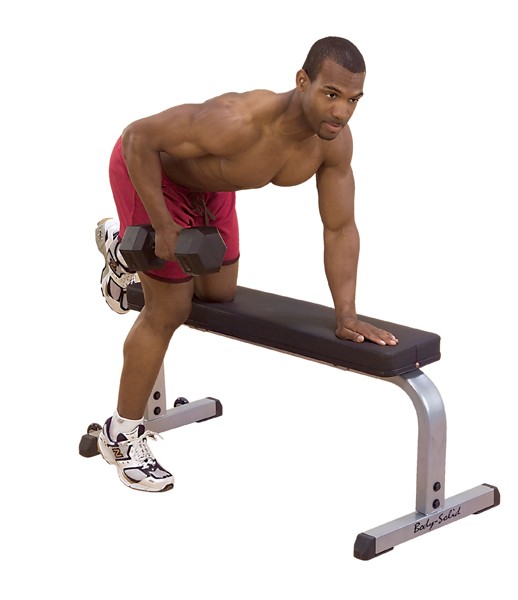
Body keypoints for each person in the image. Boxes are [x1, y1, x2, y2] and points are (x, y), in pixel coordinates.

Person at [95, 36, 398, 492]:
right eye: (331, 94)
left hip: (214, 188)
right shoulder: (236, 120)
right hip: (155, 175)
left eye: (353, 100)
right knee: (170, 308)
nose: (341, 111)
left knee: (218, 294)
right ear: (302, 81)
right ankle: (121, 434)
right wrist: (162, 226)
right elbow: (136, 138)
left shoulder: (333, 144)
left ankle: (123, 253)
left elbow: (339, 228)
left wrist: (347, 314)